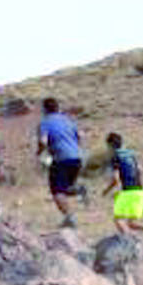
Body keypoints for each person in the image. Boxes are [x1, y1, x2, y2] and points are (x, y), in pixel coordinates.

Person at [35, 97, 84, 228]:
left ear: (44, 109)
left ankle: (69, 218)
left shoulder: (45, 122)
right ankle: (78, 189)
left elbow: (43, 141)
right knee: (66, 187)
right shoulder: (68, 120)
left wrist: (39, 152)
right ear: (58, 107)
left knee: (57, 191)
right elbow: (80, 136)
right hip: (77, 157)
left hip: (61, 159)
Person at [100, 133, 143, 240]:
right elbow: (139, 170)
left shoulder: (115, 156)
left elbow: (116, 179)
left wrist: (106, 191)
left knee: (118, 219)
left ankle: (129, 241)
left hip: (128, 191)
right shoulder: (131, 154)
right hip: (139, 191)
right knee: (131, 223)